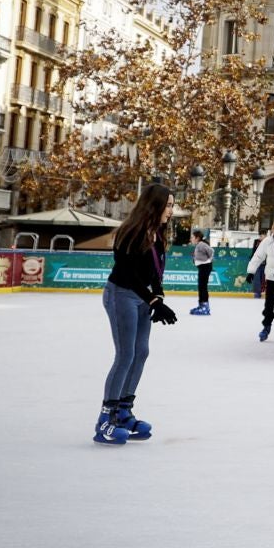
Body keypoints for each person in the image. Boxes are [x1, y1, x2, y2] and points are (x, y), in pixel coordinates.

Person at [98, 185, 177, 445]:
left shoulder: (158, 233)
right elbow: (128, 273)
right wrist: (153, 299)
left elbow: (156, 272)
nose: (171, 210)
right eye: (168, 205)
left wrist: (159, 298)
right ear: (154, 205)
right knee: (125, 354)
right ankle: (105, 420)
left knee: (141, 352)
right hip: (122, 294)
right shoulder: (130, 232)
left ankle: (123, 411)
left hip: (142, 298)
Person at [189, 230, 214, 316]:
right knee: (201, 286)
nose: (191, 239)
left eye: (192, 237)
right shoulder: (198, 245)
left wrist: (209, 260)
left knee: (203, 286)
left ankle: (205, 307)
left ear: (197, 238)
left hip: (205, 267)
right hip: (203, 267)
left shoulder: (201, 244)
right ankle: (201, 305)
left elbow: (211, 251)